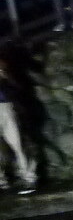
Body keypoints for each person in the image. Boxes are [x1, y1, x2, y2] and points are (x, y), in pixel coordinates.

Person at [0, 54, 38, 195]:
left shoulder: (5, 68)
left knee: (18, 144)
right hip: (6, 107)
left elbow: (15, 87)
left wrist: (4, 75)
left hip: (6, 107)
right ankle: (2, 181)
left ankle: (29, 179)